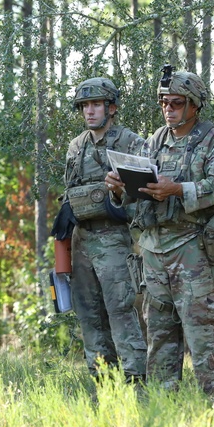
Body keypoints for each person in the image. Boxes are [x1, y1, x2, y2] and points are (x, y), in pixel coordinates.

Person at [106, 67, 214, 397]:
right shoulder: (155, 141)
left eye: (176, 103)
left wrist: (177, 189)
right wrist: (119, 189)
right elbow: (140, 189)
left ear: (194, 105)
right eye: (164, 102)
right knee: (160, 333)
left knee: (203, 333)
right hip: (155, 248)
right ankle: (163, 405)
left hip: (192, 249)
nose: (168, 109)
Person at [61, 77, 146, 381]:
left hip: (113, 238)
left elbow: (146, 194)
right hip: (82, 238)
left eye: (96, 104)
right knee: (88, 314)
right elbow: (70, 191)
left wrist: (120, 192)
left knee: (121, 310)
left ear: (111, 108)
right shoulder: (77, 146)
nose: (90, 111)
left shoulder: (131, 142)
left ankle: (136, 380)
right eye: (85, 106)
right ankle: (103, 382)